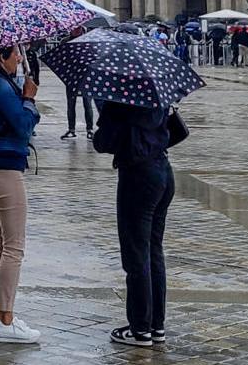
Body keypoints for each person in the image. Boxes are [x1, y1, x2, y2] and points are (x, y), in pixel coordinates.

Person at [92, 100, 175, 347]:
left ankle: (140, 328)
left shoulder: (119, 99)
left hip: (138, 176)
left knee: (137, 254)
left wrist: (104, 114)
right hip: (163, 171)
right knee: (153, 251)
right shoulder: (155, 94)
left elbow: (104, 141)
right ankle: (155, 325)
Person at [0, 43, 42, 344]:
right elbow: (23, 126)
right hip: (5, 170)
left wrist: (25, 95)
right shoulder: (0, 87)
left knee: (2, 244)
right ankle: (6, 318)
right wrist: (28, 98)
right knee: (14, 247)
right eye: (14, 53)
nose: (19, 56)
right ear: (1, 58)